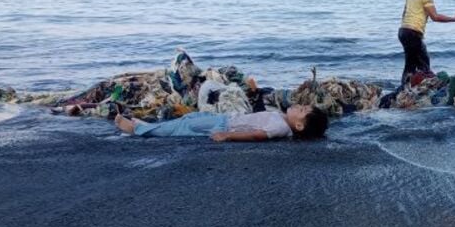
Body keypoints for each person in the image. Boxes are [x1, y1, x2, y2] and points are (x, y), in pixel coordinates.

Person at [114, 103, 329, 141]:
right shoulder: (282, 119)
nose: (297, 106)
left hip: (224, 126)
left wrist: (228, 136)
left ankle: (138, 130)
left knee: (183, 127)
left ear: (299, 125)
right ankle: (149, 126)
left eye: (301, 110)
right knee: (189, 118)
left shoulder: (280, 127)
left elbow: (257, 135)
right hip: (224, 119)